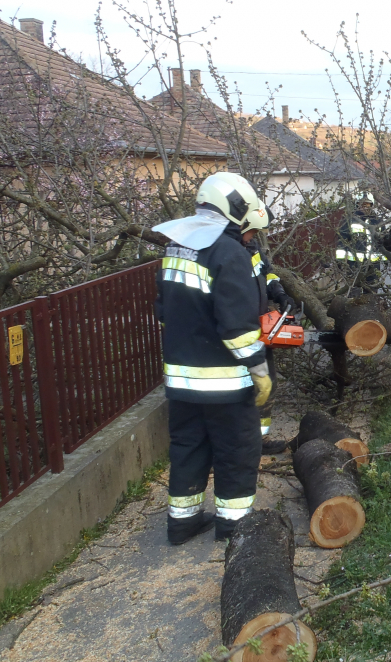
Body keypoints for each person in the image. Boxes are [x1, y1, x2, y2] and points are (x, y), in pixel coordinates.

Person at [153, 171, 272, 545]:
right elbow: (237, 328)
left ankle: (182, 522)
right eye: (250, 229)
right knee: (236, 450)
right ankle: (235, 528)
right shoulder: (229, 253)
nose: (251, 237)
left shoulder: (177, 246)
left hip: (181, 383)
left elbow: (164, 309)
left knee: (188, 447)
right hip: (225, 383)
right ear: (237, 211)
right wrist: (259, 368)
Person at [242, 208, 299, 454]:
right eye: (253, 230)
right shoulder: (228, 254)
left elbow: (266, 274)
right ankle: (241, 440)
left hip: (259, 329)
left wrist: (279, 292)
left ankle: (259, 439)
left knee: (268, 385)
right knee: (246, 389)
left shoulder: (252, 249)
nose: (256, 234)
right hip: (239, 331)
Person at [336, 192, 386, 293]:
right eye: (362, 204)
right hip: (354, 265)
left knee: (371, 293)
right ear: (357, 204)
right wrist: (340, 261)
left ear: (372, 205)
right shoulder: (350, 220)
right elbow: (342, 241)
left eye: (367, 205)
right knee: (354, 294)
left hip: (373, 266)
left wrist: (386, 259)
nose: (364, 207)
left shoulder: (378, 222)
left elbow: (384, 242)